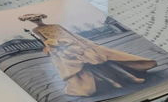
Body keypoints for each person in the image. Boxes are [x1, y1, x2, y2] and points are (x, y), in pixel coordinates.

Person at [16, 10, 160, 97]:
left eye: (38, 18)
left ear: (41, 18)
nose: (37, 21)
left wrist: (86, 43)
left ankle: (131, 77)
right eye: (33, 20)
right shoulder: (36, 31)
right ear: (32, 22)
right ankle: (113, 82)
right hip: (63, 51)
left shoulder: (55, 25)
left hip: (77, 46)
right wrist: (50, 47)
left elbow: (71, 35)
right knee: (87, 68)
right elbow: (45, 41)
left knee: (104, 61)